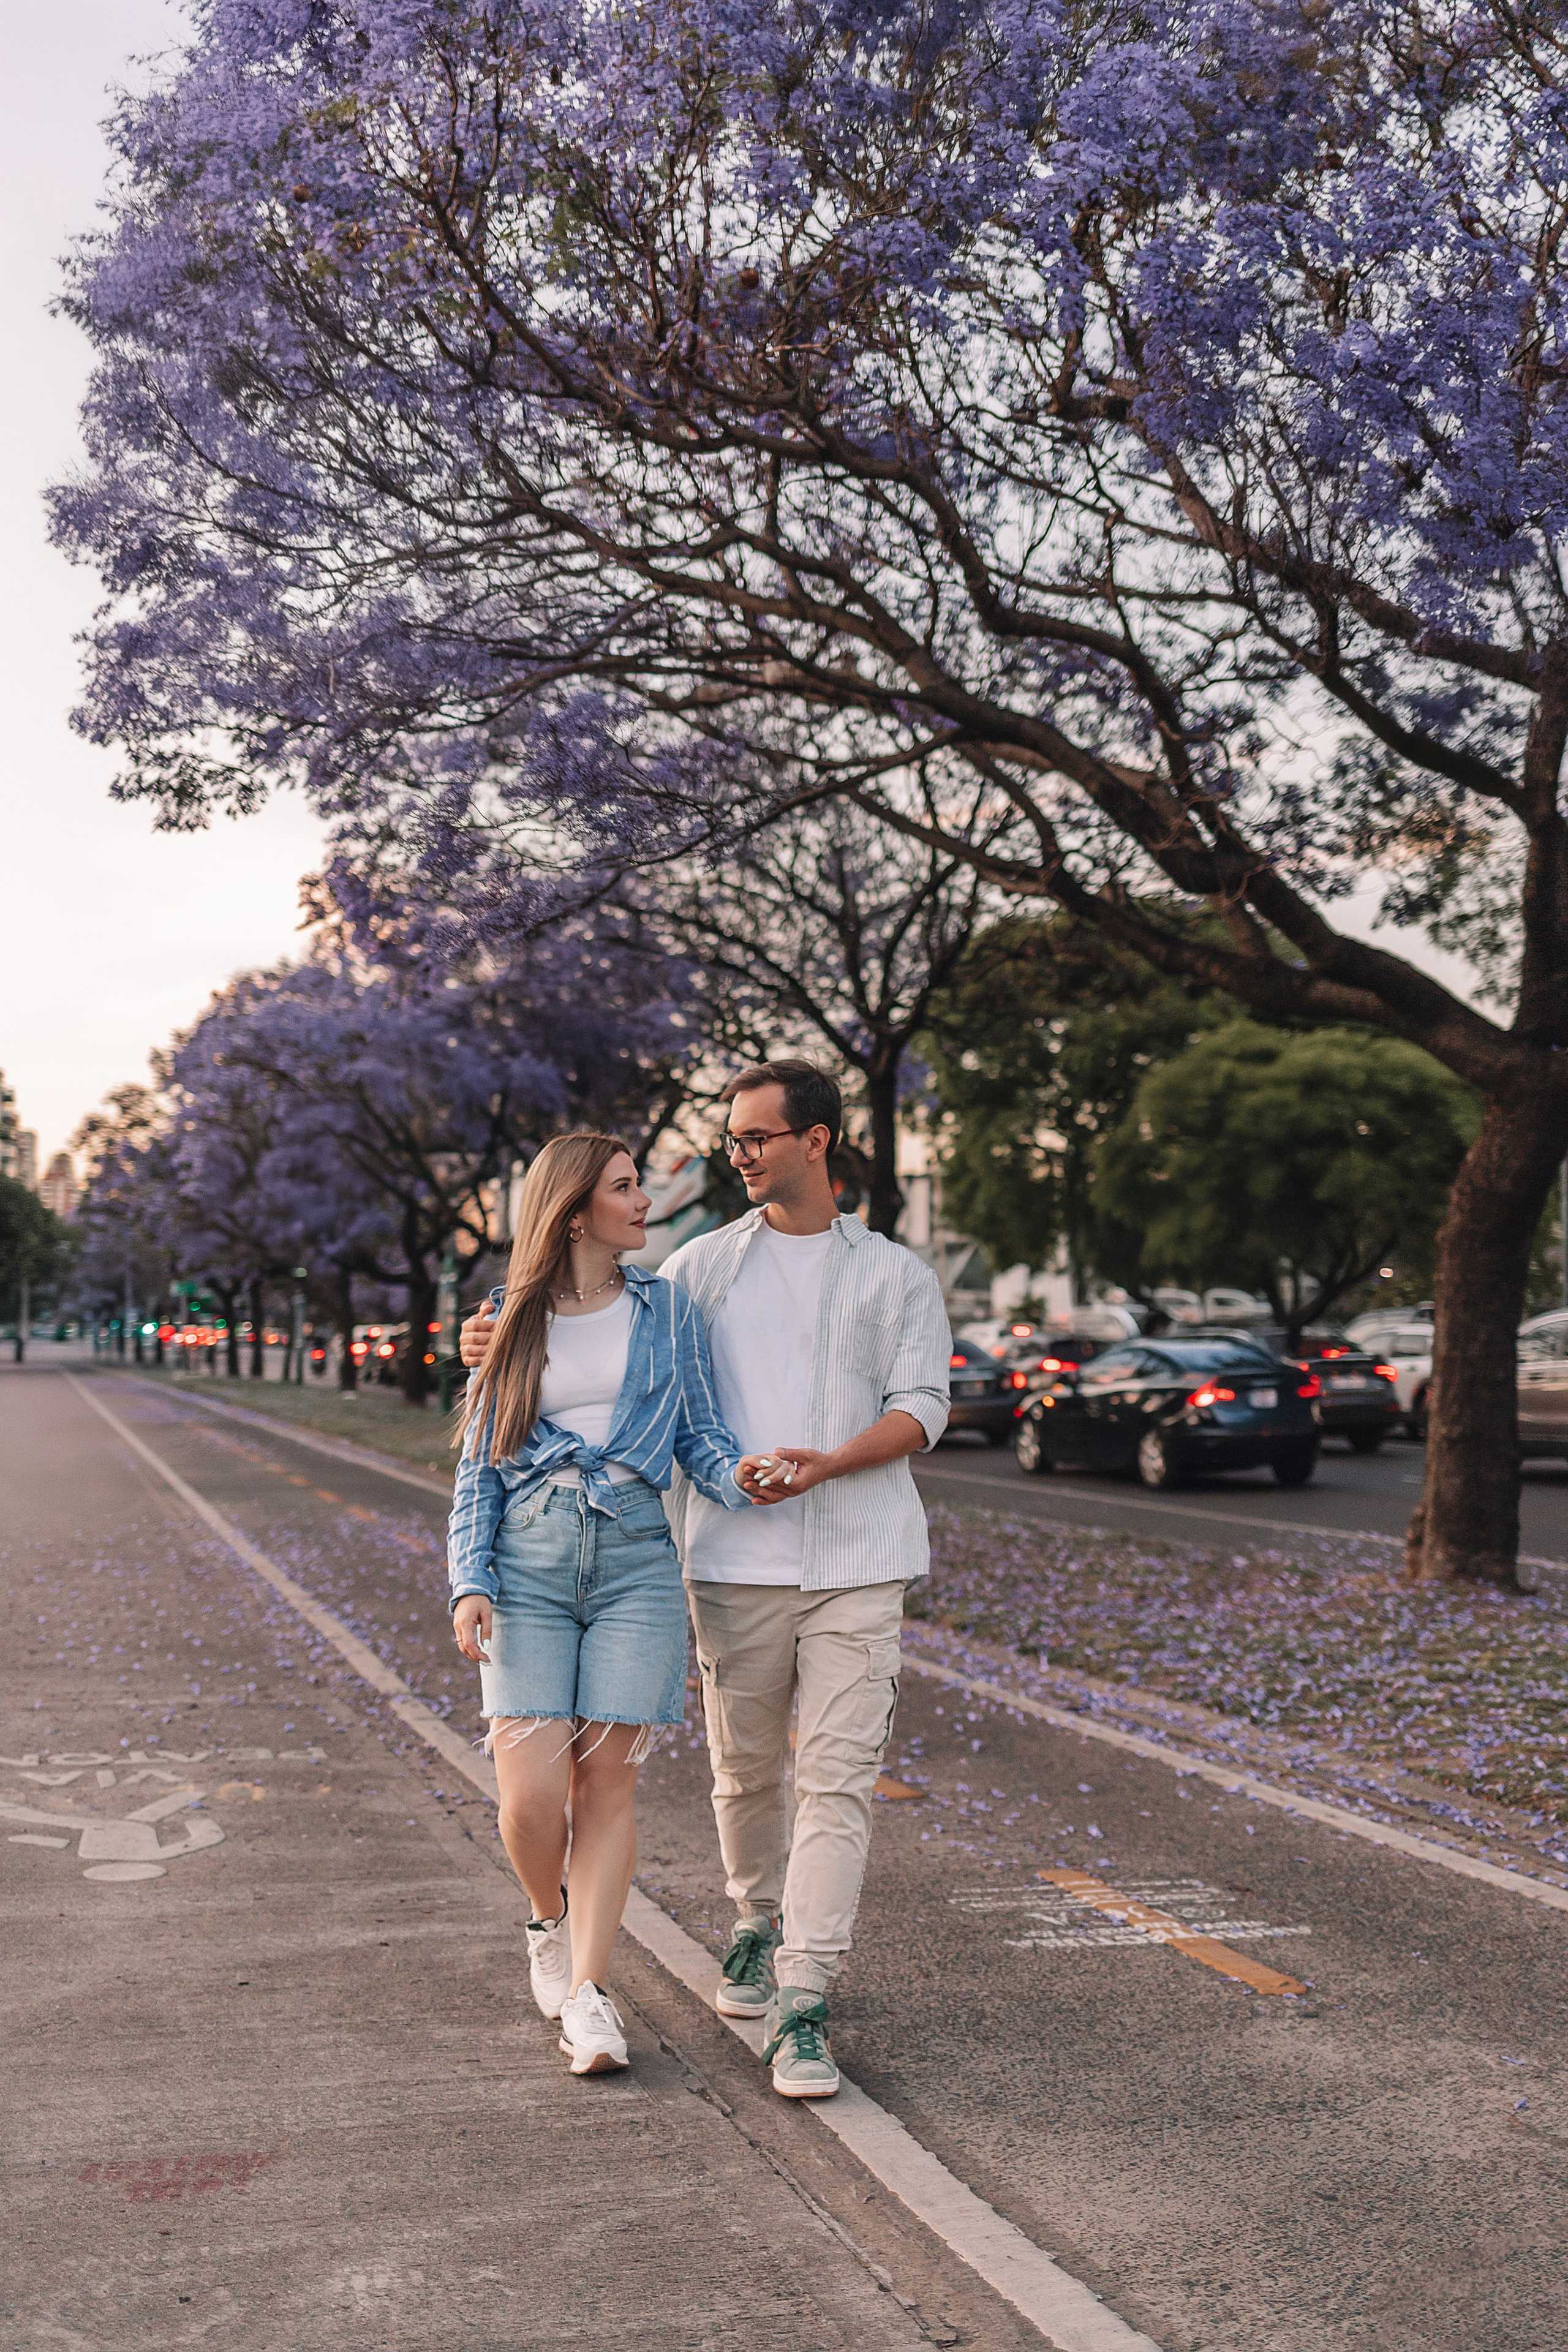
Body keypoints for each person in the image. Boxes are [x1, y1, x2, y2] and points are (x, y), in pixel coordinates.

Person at [461, 1062, 949, 2098]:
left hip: (860, 1556)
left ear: (814, 1142)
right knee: (746, 1777)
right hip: (729, 1564)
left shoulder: (897, 1274)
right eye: (731, 1139)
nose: (736, 1154)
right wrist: (490, 1334)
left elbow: (922, 1408)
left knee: (837, 1779)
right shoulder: (693, 1271)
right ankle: (753, 1924)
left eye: (754, 1137)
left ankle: (805, 1998)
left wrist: (821, 1463)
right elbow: (588, 1324)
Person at [447, 1129, 760, 2078]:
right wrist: (470, 1580)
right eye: (626, 1188)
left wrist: (745, 1475)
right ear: (576, 1208)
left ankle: (589, 1993)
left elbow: (703, 1437)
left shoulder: (668, 1311)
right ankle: (546, 1921)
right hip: (528, 1560)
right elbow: (480, 1464)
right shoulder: (509, 1317)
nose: (644, 1202)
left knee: (607, 1786)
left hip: (634, 1559)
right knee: (532, 1794)